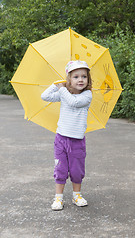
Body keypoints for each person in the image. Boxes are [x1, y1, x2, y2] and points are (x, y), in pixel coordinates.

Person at [41, 60, 92, 210]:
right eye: (75, 77)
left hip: (77, 141)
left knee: (77, 170)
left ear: (88, 79)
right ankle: (58, 198)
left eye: (84, 76)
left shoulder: (87, 95)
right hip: (61, 139)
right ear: (69, 79)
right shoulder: (64, 93)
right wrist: (56, 85)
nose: (80, 79)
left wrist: (62, 90)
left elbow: (73, 102)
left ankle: (77, 195)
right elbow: (45, 96)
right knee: (60, 168)